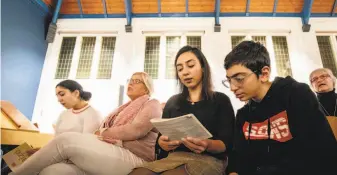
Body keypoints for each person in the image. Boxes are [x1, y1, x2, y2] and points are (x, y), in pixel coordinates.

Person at [10, 72, 162, 175]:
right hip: (111, 150)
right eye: (130, 80)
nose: (131, 83)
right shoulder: (122, 109)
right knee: (52, 171)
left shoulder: (152, 103)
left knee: (65, 141)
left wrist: (102, 133)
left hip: (136, 157)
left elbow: (136, 130)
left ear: (147, 86)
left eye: (137, 81)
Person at [223, 41, 336, 175]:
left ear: (264, 74)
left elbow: (321, 152)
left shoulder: (296, 94)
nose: (232, 87)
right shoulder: (243, 115)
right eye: (229, 80)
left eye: (239, 78)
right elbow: (238, 157)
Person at [130, 46, 235, 175]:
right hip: (174, 158)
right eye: (180, 69)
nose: (185, 72)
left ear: (203, 67)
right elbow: (160, 143)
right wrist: (162, 144)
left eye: (190, 66)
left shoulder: (221, 100)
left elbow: (227, 144)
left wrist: (207, 144)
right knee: (137, 173)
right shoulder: (172, 102)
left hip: (210, 160)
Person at [27, 80, 103, 156]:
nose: (59, 99)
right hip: (58, 155)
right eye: (57, 96)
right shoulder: (64, 114)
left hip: (75, 158)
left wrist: (47, 153)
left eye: (62, 94)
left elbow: (86, 146)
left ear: (76, 93)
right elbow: (55, 141)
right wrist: (42, 150)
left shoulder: (93, 114)